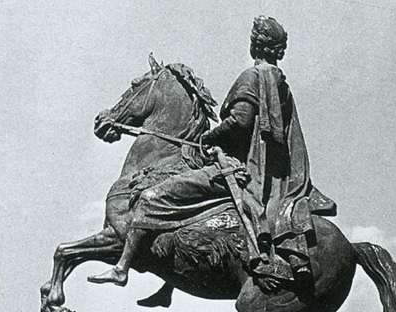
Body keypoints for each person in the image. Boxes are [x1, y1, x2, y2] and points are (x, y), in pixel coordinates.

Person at [97, 16, 334, 288]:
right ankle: (167, 287)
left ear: (254, 45)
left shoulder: (253, 76)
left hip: (237, 169)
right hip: (264, 173)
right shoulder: (281, 84)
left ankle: (122, 267)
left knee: (153, 198)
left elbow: (240, 122)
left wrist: (208, 136)